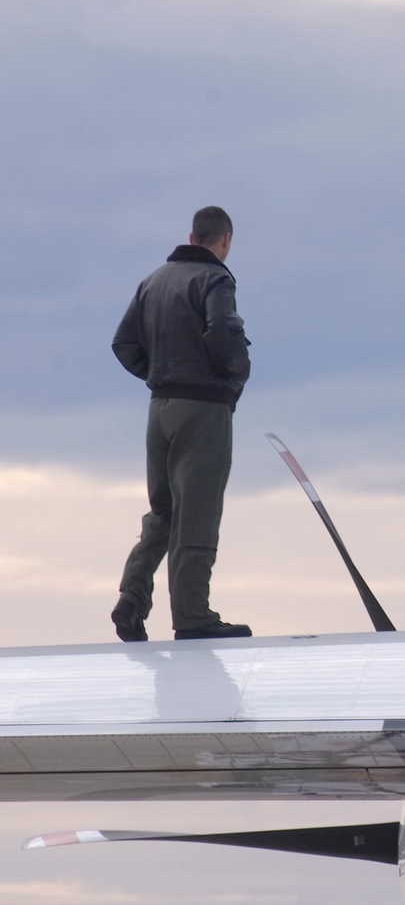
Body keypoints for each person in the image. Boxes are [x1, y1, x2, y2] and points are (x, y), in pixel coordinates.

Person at [110, 206, 252, 641]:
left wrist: (159, 375)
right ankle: (192, 615)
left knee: (163, 512)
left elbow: (123, 343)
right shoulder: (216, 279)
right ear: (224, 240)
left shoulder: (153, 280)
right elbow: (223, 330)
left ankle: (132, 598)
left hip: (160, 408)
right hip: (203, 409)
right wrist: (234, 374)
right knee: (198, 512)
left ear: (192, 235)